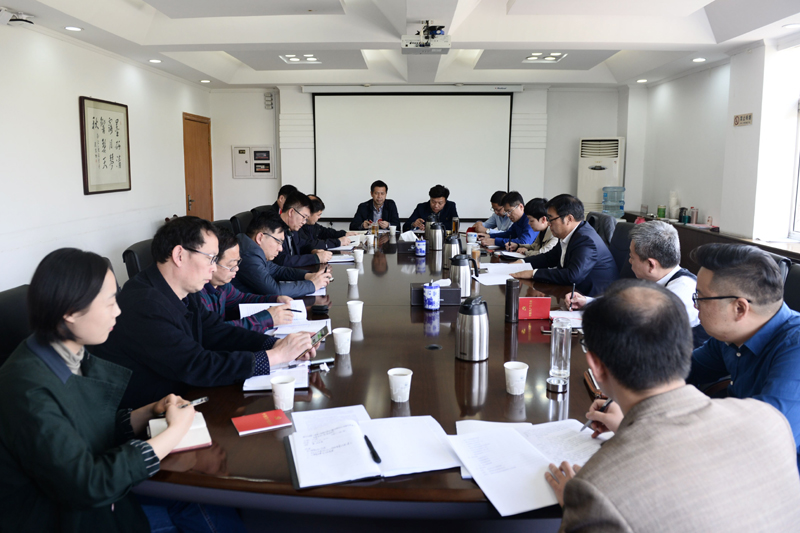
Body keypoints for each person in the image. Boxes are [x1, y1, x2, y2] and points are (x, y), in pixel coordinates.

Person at [0, 248, 246, 532]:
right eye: (109, 303)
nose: (118, 311)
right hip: (64, 518)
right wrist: (174, 432)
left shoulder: (68, 354)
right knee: (203, 501)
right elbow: (89, 483)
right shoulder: (27, 390)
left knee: (206, 497)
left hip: (101, 501)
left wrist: (145, 413)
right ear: (70, 312)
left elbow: (84, 430)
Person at [544, 280, 800, 532]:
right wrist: (629, 424)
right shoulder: (771, 420)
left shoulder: (595, 492)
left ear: (596, 367)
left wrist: (573, 506)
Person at [92, 217, 316, 409]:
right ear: (180, 255)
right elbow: (197, 365)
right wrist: (275, 357)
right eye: (210, 258)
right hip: (149, 416)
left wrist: (274, 344)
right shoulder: (144, 304)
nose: (213, 267)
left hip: (182, 398)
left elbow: (217, 332)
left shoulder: (184, 291)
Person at [685, 243, 800, 469]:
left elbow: (761, 437)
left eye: (700, 297)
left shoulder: (794, 348)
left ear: (739, 308)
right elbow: (686, 369)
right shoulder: (730, 336)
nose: (696, 306)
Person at [565, 220, 708, 347]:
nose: (629, 261)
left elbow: (638, 328)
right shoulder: (657, 279)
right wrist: (587, 302)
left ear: (651, 265)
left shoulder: (681, 293)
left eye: (631, 256)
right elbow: (626, 304)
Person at [511, 194, 618, 296]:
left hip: (595, 298)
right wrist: (521, 262)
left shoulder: (585, 240)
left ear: (569, 219)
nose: (548, 223)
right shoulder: (572, 234)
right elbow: (549, 258)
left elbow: (573, 275)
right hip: (573, 293)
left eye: (551, 219)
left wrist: (533, 273)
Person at [199, 226, 295, 332]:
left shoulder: (223, 285)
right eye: (231, 265)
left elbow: (242, 299)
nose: (236, 268)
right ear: (211, 262)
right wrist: (266, 318)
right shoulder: (197, 294)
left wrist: (275, 299)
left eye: (237, 262)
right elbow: (215, 331)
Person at [234, 212, 332, 298]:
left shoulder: (249, 247)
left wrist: (308, 275)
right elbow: (275, 291)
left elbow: (277, 270)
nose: (280, 249)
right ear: (260, 238)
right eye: (278, 242)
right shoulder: (248, 255)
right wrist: (313, 285)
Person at [273, 192, 333, 267]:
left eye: (306, 219)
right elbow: (282, 260)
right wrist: (315, 258)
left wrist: (314, 251)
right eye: (303, 217)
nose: (304, 222)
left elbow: (302, 244)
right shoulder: (273, 228)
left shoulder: (292, 227)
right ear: (291, 212)